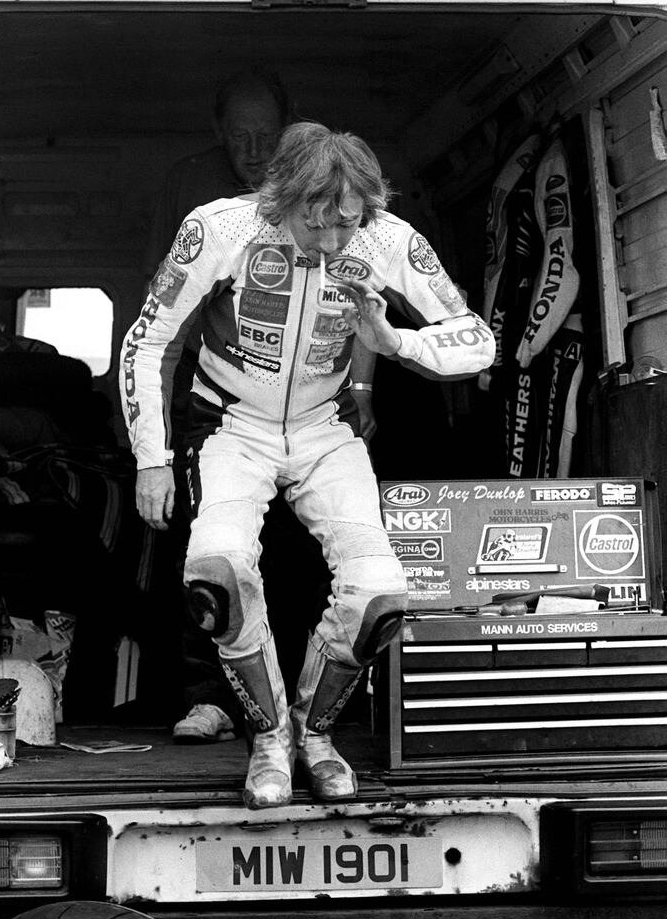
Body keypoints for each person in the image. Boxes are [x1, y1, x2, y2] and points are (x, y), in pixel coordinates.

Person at [120, 122, 495, 809]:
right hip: (232, 424)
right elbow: (147, 342)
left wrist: (395, 341)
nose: (328, 242)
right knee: (218, 574)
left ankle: (314, 735)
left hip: (326, 429)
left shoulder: (388, 237)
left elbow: (477, 341)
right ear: (277, 198)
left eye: (344, 226)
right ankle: (268, 740)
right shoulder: (218, 228)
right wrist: (153, 459)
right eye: (313, 224)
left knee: (380, 596)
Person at [147, 69, 377, 746]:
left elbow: (362, 294)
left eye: (265, 136)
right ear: (218, 134)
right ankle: (209, 697)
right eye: (238, 136)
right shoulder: (195, 196)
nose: (251, 150)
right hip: (216, 397)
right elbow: (157, 319)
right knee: (211, 548)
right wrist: (149, 430)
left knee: (306, 551)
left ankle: (303, 707)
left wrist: (362, 391)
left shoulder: (328, 192)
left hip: (310, 402)